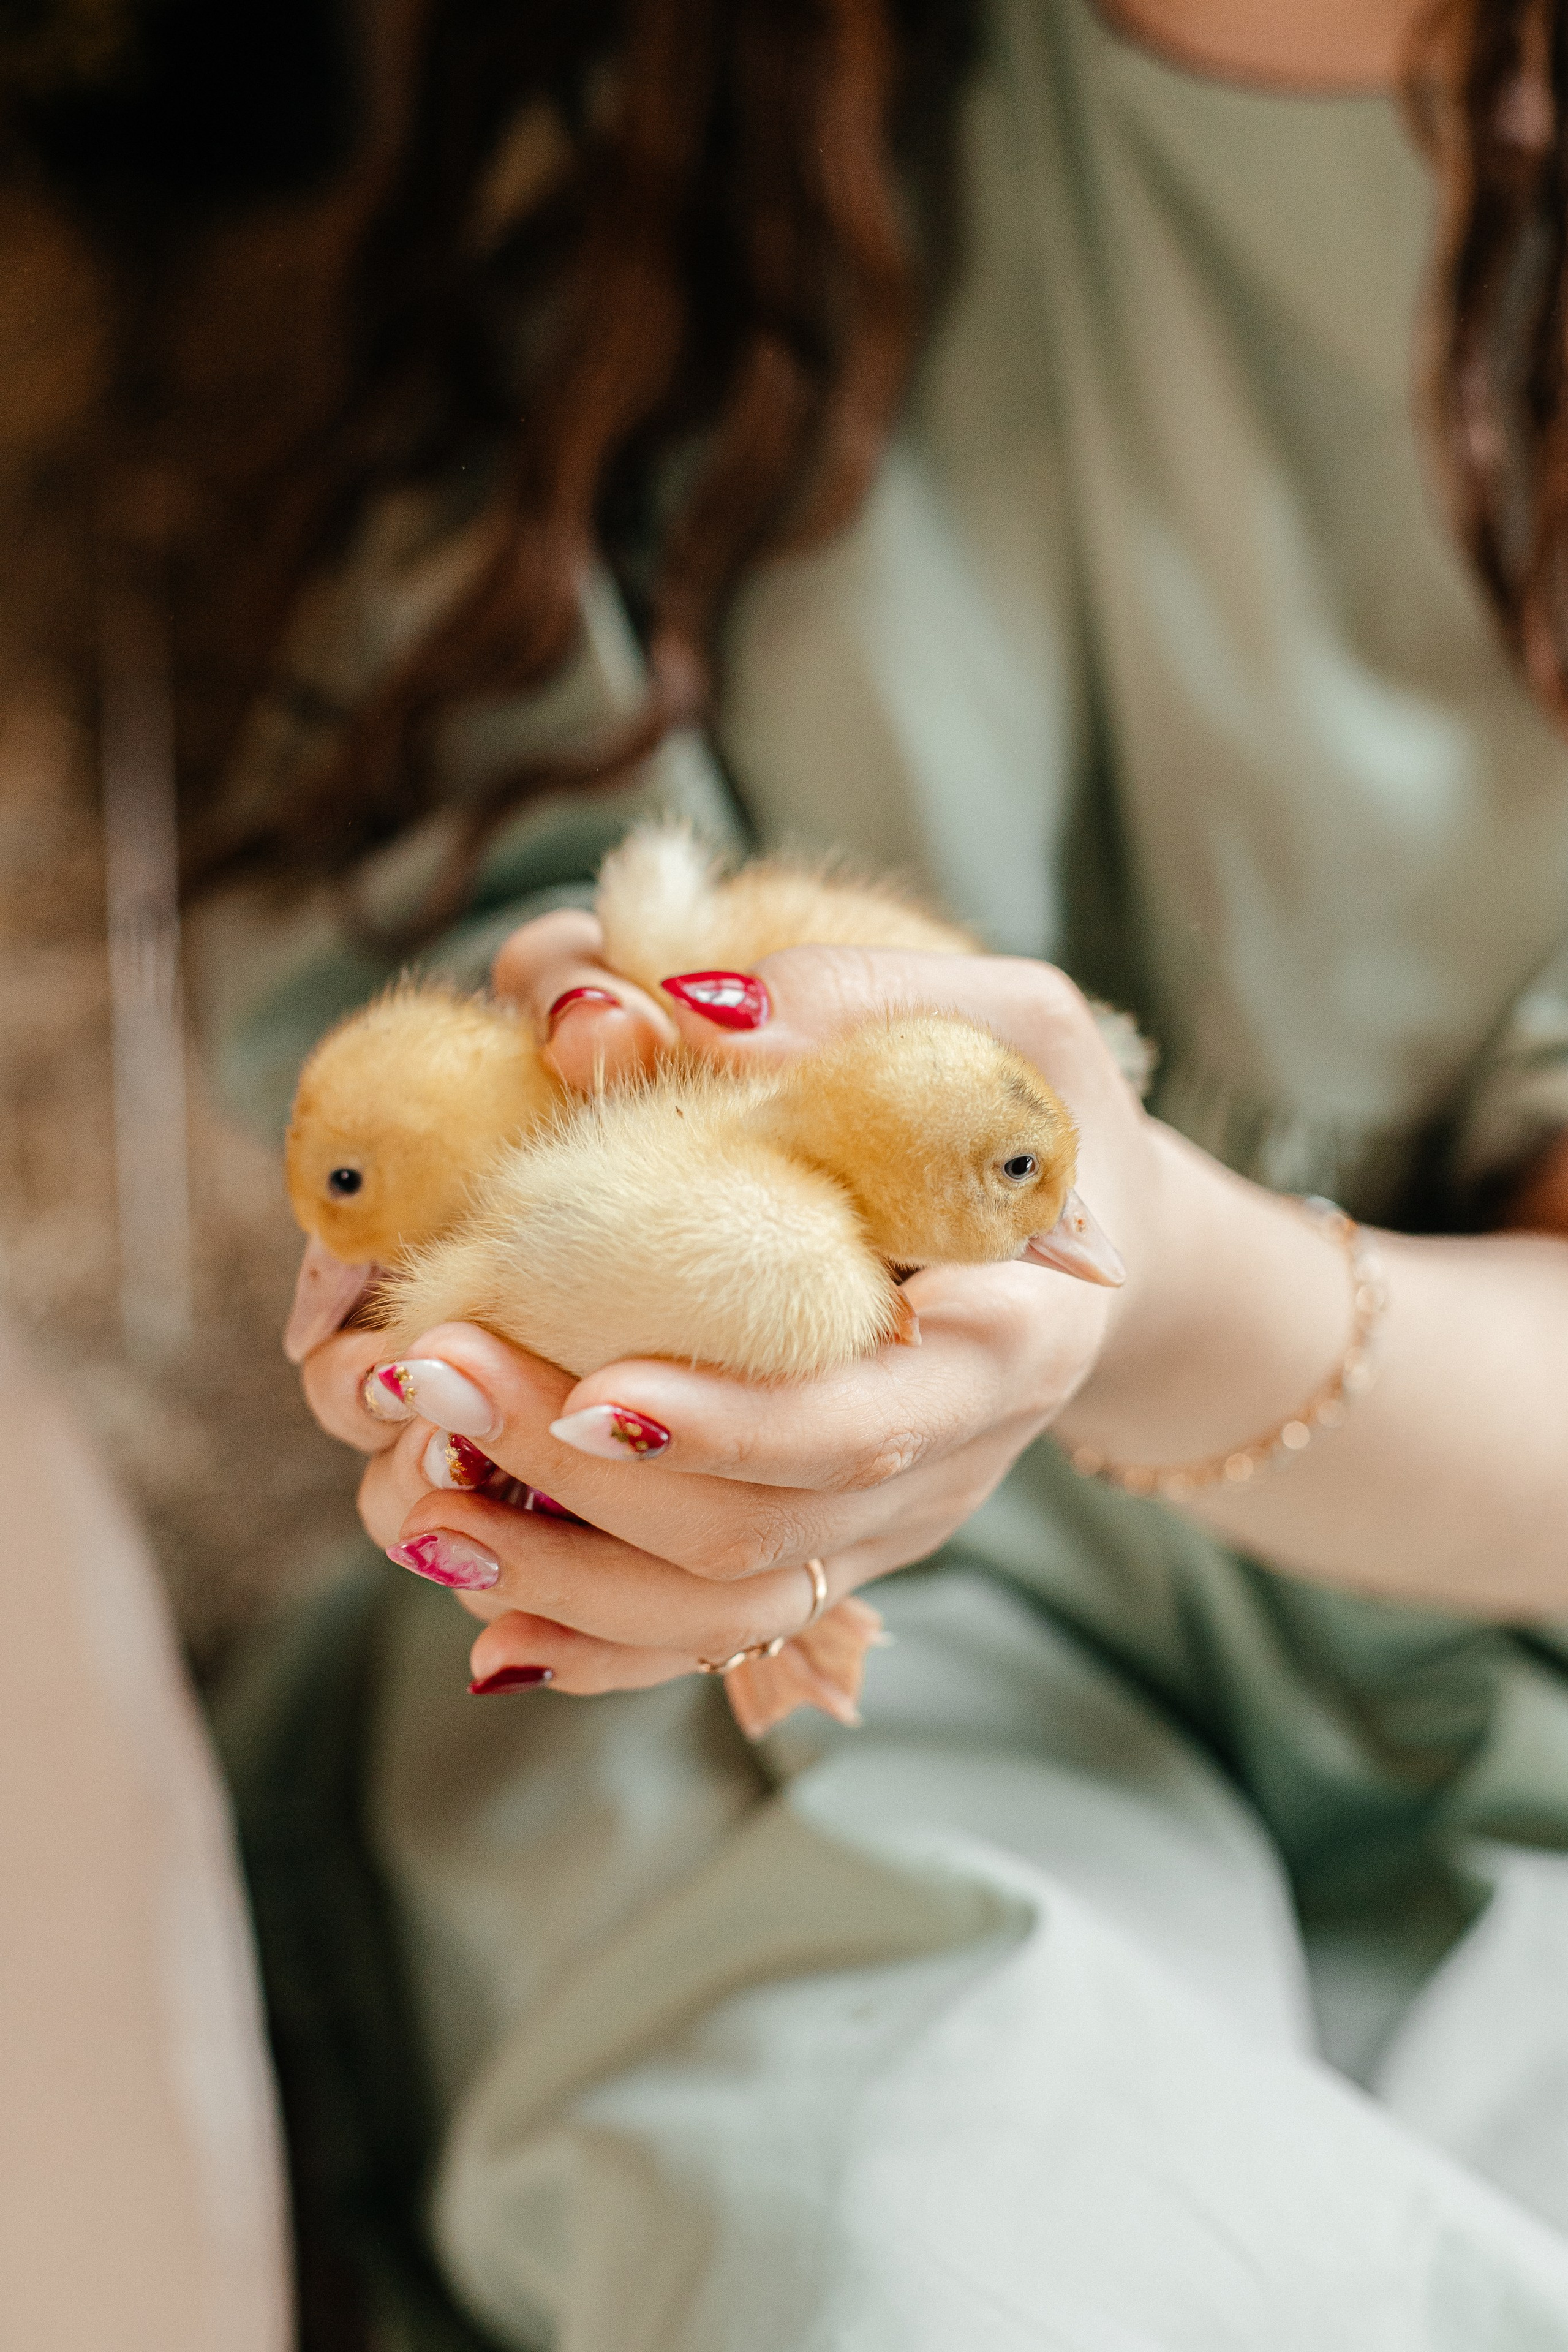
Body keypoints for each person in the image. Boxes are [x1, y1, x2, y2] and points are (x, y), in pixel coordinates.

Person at [204, 0, 1568, 2342]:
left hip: (1509, 1662)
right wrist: (549, 1392)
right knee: (941, 2236)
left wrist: (1148, 1292)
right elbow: (439, 1062)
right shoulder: (688, 102)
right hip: (776, 1663)